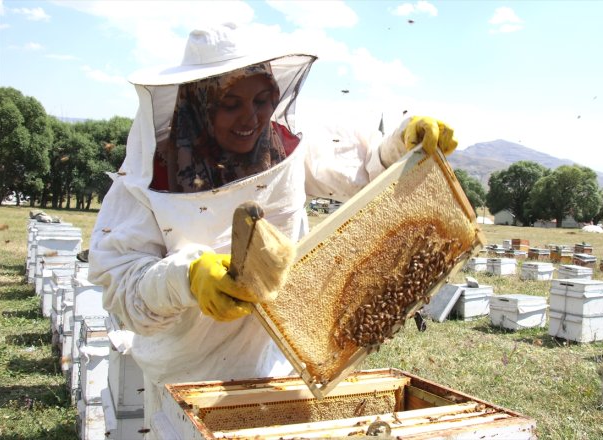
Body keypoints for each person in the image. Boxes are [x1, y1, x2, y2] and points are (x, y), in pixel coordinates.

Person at [89, 23, 457, 437]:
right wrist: (186, 278)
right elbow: (120, 284)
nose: (252, 117)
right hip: (186, 375)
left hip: (282, 367)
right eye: (231, 104)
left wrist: (402, 142)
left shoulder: (284, 149)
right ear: (200, 105)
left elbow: (363, 164)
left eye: (264, 100)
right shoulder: (147, 179)